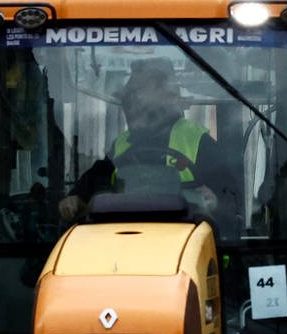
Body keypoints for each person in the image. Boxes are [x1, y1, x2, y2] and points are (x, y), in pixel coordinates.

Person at [59, 63, 233, 222]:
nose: (132, 102)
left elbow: (231, 197)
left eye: (140, 94)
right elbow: (93, 183)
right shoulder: (122, 144)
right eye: (130, 94)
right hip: (123, 234)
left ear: (170, 97)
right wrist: (75, 198)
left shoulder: (197, 140)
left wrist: (216, 200)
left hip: (183, 234)